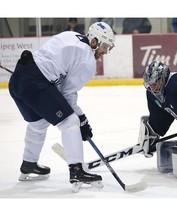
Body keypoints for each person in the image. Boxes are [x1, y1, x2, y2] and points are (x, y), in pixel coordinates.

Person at [8, 22, 115, 187]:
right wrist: (81, 119)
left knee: (38, 123)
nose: (104, 53)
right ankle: (77, 170)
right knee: (70, 122)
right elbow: (66, 94)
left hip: (18, 78)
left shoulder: (70, 35)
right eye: (105, 47)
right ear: (94, 41)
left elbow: (51, 68)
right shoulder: (87, 60)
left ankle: (28, 164)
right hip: (36, 84)